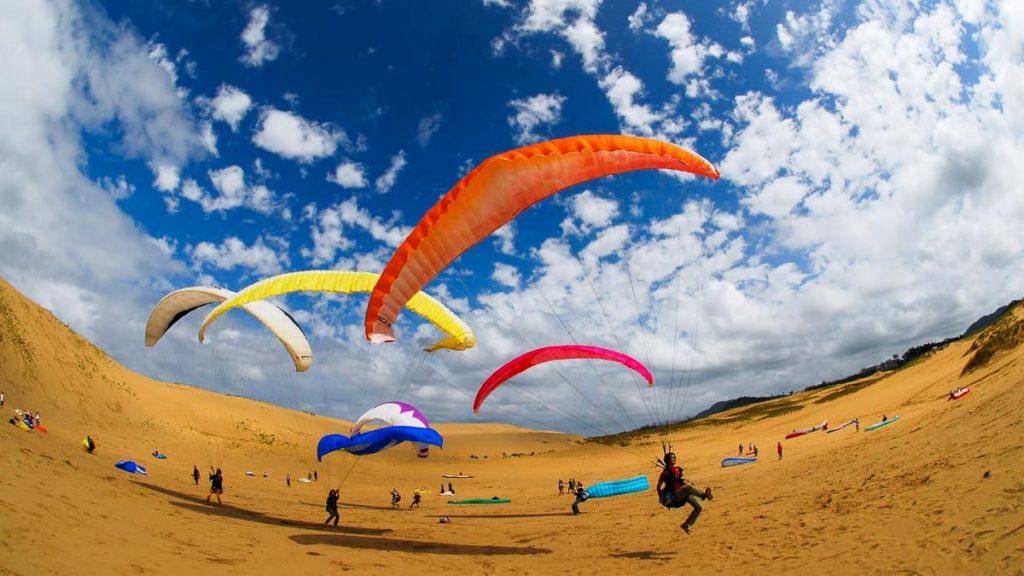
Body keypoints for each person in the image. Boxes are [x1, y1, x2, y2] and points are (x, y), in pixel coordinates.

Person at [656, 452, 713, 535]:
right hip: (675, 495)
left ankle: (686, 524)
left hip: (683, 494)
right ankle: (703, 495)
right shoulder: (665, 473)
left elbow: (680, 480)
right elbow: (658, 487)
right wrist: (661, 498)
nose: (674, 459)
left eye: (675, 457)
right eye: (672, 458)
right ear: (668, 460)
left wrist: (686, 482)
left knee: (698, 508)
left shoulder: (677, 469)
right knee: (688, 488)